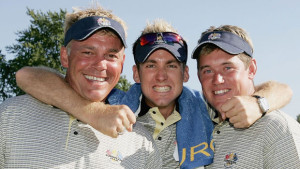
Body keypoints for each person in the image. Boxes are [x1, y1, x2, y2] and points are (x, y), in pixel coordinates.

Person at [16, 20, 292, 168]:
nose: (161, 76)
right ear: (136, 74)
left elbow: (283, 89)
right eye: (151, 65)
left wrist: (259, 103)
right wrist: (91, 112)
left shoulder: (207, 109)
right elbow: (26, 76)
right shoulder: (112, 108)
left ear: (185, 75)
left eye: (171, 65)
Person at [0, 5, 162, 169]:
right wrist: (94, 112)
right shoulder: (10, 116)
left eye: (111, 55)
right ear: (65, 56)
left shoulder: (141, 143)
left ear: (122, 65)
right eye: (88, 52)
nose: (100, 65)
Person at [192, 24, 300, 168]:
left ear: (252, 69)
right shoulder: (195, 121)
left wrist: (258, 105)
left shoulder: (276, 128)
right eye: (207, 71)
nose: (217, 80)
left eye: (228, 68)